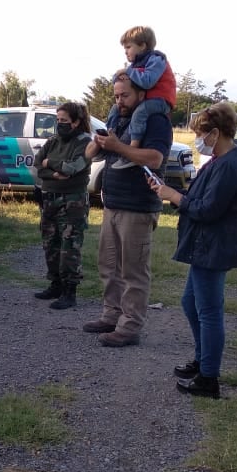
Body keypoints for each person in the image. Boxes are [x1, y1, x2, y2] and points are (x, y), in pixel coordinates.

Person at [147, 103, 237, 398]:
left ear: (216, 133)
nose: (198, 140)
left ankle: (209, 378)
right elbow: (199, 197)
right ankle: (202, 361)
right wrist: (166, 190)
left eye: (201, 134)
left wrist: (175, 197)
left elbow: (207, 210)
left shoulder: (229, 166)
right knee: (191, 304)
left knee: (209, 312)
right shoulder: (219, 160)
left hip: (213, 248)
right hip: (205, 246)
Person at [83, 71, 172, 346]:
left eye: (125, 95)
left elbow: (155, 158)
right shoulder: (117, 119)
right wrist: (99, 144)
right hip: (112, 203)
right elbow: (90, 153)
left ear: (142, 94)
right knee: (108, 265)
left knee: (133, 270)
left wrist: (118, 147)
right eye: (116, 96)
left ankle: (130, 326)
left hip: (137, 206)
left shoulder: (156, 121)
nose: (120, 101)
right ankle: (112, 315)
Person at [33, 101, 93, 309]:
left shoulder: (85, 143)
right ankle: (55, 284)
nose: (60, 124)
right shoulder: (53, 141)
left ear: (76, 122)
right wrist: (52, 173)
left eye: (64, 121)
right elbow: (36, 167)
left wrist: (50, 164)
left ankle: (70, 290)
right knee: (51, 242)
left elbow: (71, 168)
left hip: (72, 201)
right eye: (58, 120)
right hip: (50, 198)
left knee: (69, 245)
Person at [110, 25, 176, 170]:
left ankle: (132, 148)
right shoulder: (137, 64)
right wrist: (118, 75)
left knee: (140, 112)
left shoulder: (156, 59)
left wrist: (128, 70)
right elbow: (122, 79)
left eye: (128, 47)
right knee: (115, 108)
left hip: (161, 100)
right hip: (149, 98)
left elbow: (147, 81)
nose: (126, 52)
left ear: (142, 46)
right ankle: (108, 136)